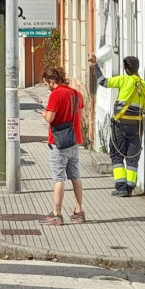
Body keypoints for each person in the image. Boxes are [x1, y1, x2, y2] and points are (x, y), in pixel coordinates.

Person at [89, 54, 145, 197]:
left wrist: (95, 65)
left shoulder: (124, 80)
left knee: (117, 154)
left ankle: (121, 187)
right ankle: (130, 187)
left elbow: (103, 82)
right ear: (137, 68)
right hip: (137, 126)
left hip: (121, 124)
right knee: (132, 156)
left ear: (126, 69)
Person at [39, 66, 85, 226]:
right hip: (74, 140)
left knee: (59, 178)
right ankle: (79, 211)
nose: (47, 86)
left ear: (52, 81)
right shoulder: (75, 93)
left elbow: (50, 118)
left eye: (47, 83)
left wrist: (45, 114)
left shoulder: (56, 94)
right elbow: (80, 107)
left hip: (58, 142)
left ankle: (57, 213)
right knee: (75, 176)